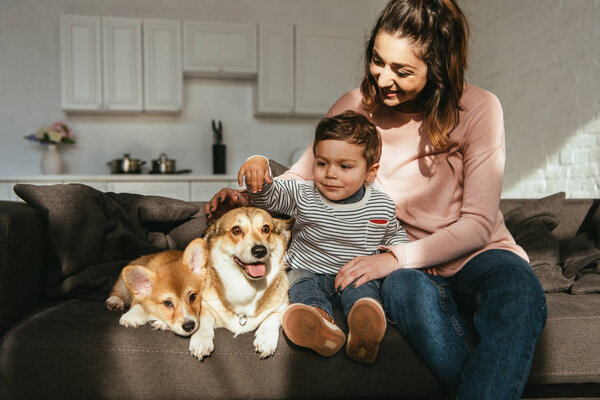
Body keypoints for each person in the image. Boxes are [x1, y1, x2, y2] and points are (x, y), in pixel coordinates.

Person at [205, 0, 547, 398]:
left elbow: (478, 224)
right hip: (406, 268)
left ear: (438, 69)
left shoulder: (479, 108)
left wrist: (394, 259)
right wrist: (250, 193)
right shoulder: (355, 106)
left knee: (519, 288)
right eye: (378, 62)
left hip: (473, 255)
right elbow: (302, 180)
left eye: (402, 70)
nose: (384, 79)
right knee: (405, 291)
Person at [239, 110, 409, 363]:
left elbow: (395, 236)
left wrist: (404, 254)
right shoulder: (302, 194)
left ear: (370, 172)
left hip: (353, 274)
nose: (330, 173)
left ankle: (364, 327)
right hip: (307, 270)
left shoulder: (381, 204)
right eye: (322, 163)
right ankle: (319, 322)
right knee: (298, 282)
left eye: (344, 166)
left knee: (363, 291)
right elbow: (267, 198)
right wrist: (258, 163)